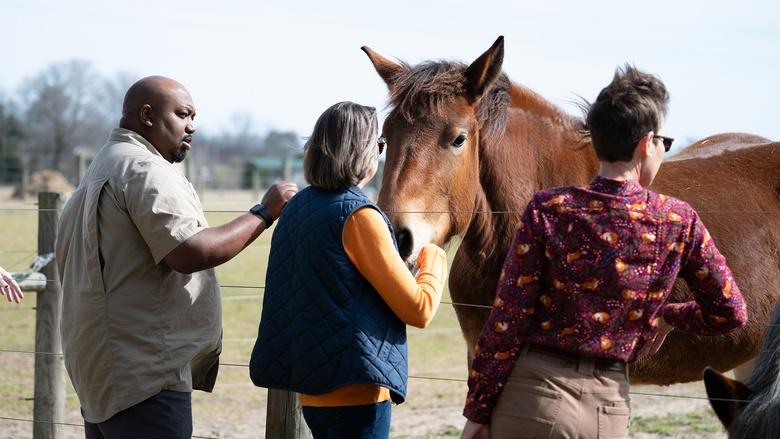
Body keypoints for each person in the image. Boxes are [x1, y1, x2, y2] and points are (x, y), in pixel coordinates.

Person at [460, 66, 748, 439]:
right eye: (664, 141)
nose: (662, 150)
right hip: (608, 407)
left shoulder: (549, 209)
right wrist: (671, 316)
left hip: (532, 397)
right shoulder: (678, 221)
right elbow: (731, 311)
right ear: (647, 143)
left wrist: (478, 411)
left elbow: (507, 321)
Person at [55, 76, 298, 439]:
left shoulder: (99, 170)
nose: (192, 126)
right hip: (144, 374)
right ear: (148, 115)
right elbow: (190, 251)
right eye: (183, 114)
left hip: (100, 374)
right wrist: (264, 212)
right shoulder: (144, 169)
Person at [249, 101, 448, 438]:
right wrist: (433, 253)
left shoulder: (296, 208)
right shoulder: (359, 217)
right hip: (358, 396)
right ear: (363, 151)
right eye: (380, 145)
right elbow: (419, 309)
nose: (381, 154)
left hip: (312, 394)